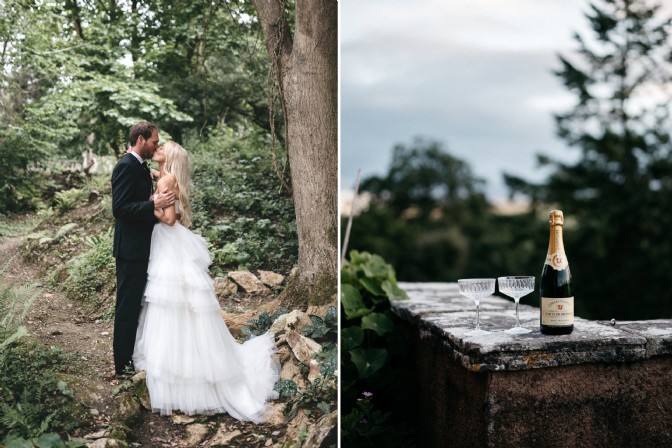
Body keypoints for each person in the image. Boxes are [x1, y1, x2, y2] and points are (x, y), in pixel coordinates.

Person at [132, 142, 279, 421]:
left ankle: (181, 370)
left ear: (171, 156)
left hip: (169, 241)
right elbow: (153, 173)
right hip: (170, 244)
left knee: (173, 302)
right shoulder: (162, 173)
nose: (158, 146)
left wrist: (149, 205)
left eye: (163, 146)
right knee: (175, 303)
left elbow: (170, 220)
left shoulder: (167, 179)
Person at [111, 121, 175, 377]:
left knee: (136, 305)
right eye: (154, 142)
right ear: (140, 140)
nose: (156, 146)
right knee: (127, 307)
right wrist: (153, 204)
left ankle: (131, 358)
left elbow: (134, 201)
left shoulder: (140, 167)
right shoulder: (125, 166)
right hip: (130, 250)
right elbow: (120, 208)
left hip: (142, 248)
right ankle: (122, 366)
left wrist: (150, 201)